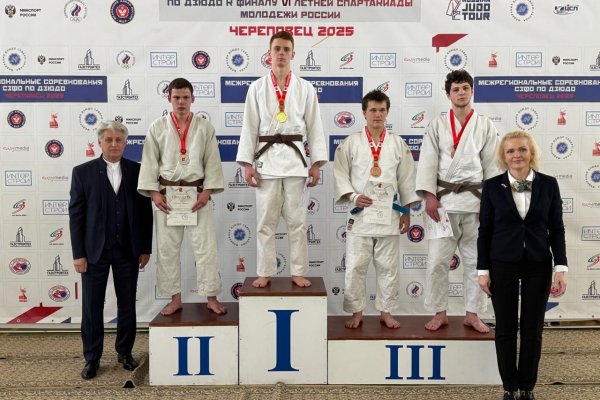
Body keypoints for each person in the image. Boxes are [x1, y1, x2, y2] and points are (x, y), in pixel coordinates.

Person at [477, 130, 567, 400]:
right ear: (503, 157)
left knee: (532, 329)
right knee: (505, 329)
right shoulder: (492, 186)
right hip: (502, 263)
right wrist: (483, 271)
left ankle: (527, 387)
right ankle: (509, 387)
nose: (516, 155)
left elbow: (557, 228)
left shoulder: (549, 184)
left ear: (532, 153)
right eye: (510, 151)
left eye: (522, 150)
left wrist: (561, 268)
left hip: (538, 264)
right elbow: (485, 231)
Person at [236, 31, 327, 288]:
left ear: (293, 54)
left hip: (296, 162)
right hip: (266, 162)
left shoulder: (305, 88)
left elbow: (315, 127)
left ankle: (298, 271)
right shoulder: (257, 88)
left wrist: (316, 163)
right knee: (266, 221)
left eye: (286, 49)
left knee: (298, 222)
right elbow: (249, 127)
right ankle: (265, 271)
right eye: (277, 48)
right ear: (269, 53)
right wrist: (247, 164)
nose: (281, 53)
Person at [415, 69, 500, 333]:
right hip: (444, 203)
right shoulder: (437, 125)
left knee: (477, 262)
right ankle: (440, 312)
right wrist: (429, 196)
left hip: (475, 202)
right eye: (456, 89)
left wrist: (491, 203)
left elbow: (492, 166)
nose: (461, 93)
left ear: (472, 91)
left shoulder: (485, 125)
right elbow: (428, 162)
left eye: (465, 88)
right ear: (448, 94)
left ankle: (472, 313)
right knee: (437, 261)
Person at [69, 121, 153, 379]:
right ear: (99, 142)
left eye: (119, 140)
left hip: (128, 250)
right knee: (92, 306)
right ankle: (92, 358)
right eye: (109, 139)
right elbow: (76, 216)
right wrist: (78, 254)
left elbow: (145, 213)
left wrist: (145, 248)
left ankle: (125, 352)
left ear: (125, 143)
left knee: (127, 304)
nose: (114, 144)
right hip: (94, 252)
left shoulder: (138, 171)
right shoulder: (82, 172)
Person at [138, 77, 226, 316]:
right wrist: (154, 193)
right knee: (167, 250)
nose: (181, 102)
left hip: (197, 196)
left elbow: (212, 162)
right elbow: (149, 162)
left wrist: (207, 192)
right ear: (169, 98)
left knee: (206, 248)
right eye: (176, 97)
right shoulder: (157, 127)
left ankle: (211, 297)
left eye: (185, 97)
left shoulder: (205, 127)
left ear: (192, 98)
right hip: (167, 198)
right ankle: (175, 298)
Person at [333, 90, 419, 329]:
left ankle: (386, 312)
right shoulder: (350, 143)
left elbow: (407, 180)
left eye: (382, 110)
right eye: (373, 110)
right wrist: (353, 196)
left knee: (388, 267)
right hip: (360, 215)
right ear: (364, 112)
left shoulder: (398, 144)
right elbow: (340, 174)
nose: (378, 115)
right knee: (355, 267)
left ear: (387, 112)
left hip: (388, 215)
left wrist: (406, 212)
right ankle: (357, 312)